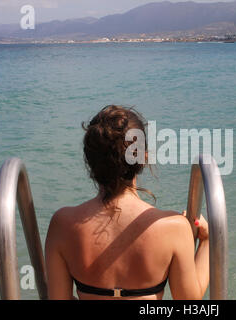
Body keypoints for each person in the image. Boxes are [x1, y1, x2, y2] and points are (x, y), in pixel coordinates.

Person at [45, 105, 209, 300]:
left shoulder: (63, 224)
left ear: (90, 162)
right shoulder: (173, 227)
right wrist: (207, 241)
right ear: (143, 157)